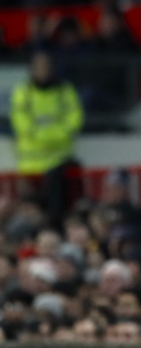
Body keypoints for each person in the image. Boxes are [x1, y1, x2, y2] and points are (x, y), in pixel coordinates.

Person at [9, 51, 84, 227]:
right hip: (30, 169)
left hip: (59, 165)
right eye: (39, 67)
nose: (43, 71)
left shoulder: (65, 91)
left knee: (59, 213)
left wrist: (42, 134)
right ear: (32, 69)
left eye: (46, 67)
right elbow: (22, 124)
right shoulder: (23, 92)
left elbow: (74, 120)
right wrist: (55, 134)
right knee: (29, 215)